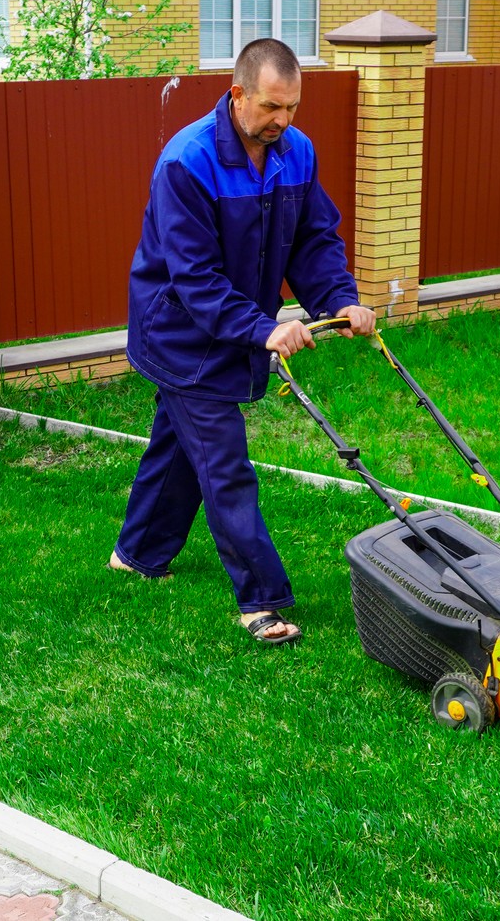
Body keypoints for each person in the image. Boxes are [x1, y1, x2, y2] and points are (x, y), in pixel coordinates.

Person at [113, 38, 375, 645]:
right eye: (271, 108)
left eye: (293, 109)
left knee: (180, 446)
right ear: (237, 96)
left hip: (233, 328)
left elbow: (314, 238)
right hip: (179, 331)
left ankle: (138, 553)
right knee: (223, 465)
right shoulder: (188, 161)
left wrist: (339, 298)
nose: (282, 121)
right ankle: (262, 599)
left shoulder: (295, 153)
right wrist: (264, 329)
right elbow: (194, 278)